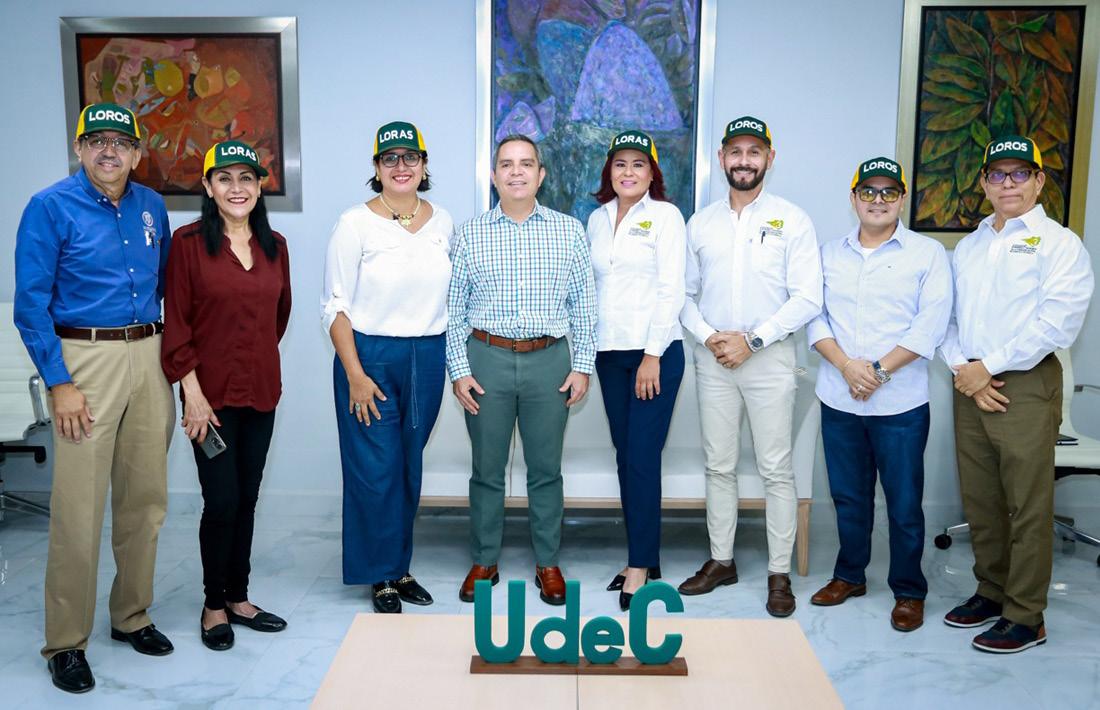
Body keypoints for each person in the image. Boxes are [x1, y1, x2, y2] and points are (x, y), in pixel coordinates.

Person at [14, 102, 175, 693]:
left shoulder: (152, 205)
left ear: (137, 153)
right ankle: (65, 642)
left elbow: (164, 282)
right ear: (78, 148)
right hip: (84, 361)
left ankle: (131, 615)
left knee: (145, 500)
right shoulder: (49, 207)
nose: (110, 150)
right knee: (79, 509)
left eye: (121, 142)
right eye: (97, 140)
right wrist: (59, 382)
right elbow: (30, 304)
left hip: (149, 355)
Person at [940, 135, 1093, 653]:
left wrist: (987, 368)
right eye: (998, 174)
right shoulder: (970, 246)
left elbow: (1058, 324)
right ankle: (991, 591)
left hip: (1024, 382)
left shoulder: (1060, 244)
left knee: (1027, 505)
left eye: (1020, 173)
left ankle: (1027, 616)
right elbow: (947, 318)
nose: (1008, 183)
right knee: (981, 499)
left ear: (1039, 181)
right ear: (984, 183)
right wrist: (964, 369)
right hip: (968, 381)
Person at [679, 116, 822, 617]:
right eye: (735, 152)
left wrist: (753, 340)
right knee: (718, 465)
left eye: (754, 152)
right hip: (714, 357)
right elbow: (683, 295)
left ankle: (779, 573)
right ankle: (721, 561)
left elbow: (808, 297)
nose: (744, 161)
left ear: (769, 158)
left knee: (776, 469)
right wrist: (710, 337)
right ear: (722, 158)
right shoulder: (700, 224)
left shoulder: (792, 220)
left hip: (770, 359)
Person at [447, 134, 597, 606]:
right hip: (486, 359)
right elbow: (454, 310)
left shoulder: (569, 231)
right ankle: (484, 560)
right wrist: (459, 369)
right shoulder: (470, 233)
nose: (516, 172)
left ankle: (547, 562)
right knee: (487, 470)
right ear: (494, 176)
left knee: (546, 470)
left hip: (549, 361)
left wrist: (582, 366)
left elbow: (584, 306)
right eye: (507, 164)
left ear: (540, 174)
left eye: (526, 164)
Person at [807, 157, 952, 632]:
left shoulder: (928, 254)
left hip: (901, 403)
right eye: (868, 191)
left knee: (904, 503)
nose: (878, 200)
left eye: (889, 192)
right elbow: (814, 316)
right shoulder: (828, 254)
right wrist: (848, 367)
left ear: (902, 199)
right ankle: (850, 575)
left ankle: (909, 590)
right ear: (853, 198)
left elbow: (930, 325)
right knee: (848, 497)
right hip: (839, 395)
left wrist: (876, 372)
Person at [161, 140, 292, 650]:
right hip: (207, 399)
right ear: (208, 186)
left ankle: (239, 597)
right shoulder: (188, 243)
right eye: (225, 178)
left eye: (246, 178)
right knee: (221, 501)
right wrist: (191, 393)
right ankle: (213, 604)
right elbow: (177, 324)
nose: (236, 188)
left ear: (259, 187)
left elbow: (278, 317)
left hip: (260, 392)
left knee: (248, 498)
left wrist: (252, 358)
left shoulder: (276, 245)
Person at [322, 121, 453, 614]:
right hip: (369, 358)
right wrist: (355, 374)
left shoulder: (443, 222)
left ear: (424, 165)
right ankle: (378, 573)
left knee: (407, 467)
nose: (401, 166)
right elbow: (335, 306)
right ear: (376, 168)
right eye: (390, 158)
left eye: (410, 157)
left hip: (427, 356)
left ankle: (399, 567)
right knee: (374, 470)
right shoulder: (354, 223)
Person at [586, 130, 686, 611]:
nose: (628, 172)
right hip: (609, 354)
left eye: (638, 164)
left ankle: (640, 566)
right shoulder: (596, 219)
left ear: (652, 173)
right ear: (610, 170)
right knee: (627, 458)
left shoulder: (666, 217)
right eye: (620, 163)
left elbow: (671, 289)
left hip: (655, 356)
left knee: (643, 457)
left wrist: (652, 355)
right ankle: (645, 556)